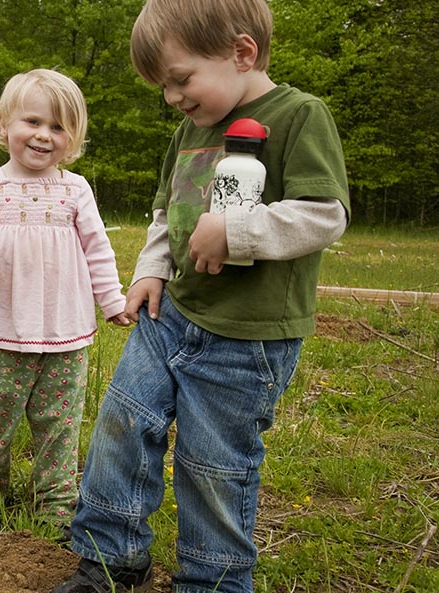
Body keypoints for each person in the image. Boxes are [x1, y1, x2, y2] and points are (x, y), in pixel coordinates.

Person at [53, 1, 349, 592]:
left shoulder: (298, 116)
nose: (172, 97)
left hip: (246, 336)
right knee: (122, 422)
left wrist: (238, 230)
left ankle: (211, 582)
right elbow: (169, 212)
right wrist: (151, 269)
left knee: (212, 465)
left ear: (242, 53)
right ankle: (111, 558)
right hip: (172, 316)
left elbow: (325, 216)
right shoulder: (191, 131)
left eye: (180, 79)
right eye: (164, 86)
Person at [0, 69, 131, 537]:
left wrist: (112, 301)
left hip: (64, 333)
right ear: (5, 125)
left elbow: (97, 250)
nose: (44, 135)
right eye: (33, 122)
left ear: (73, 138)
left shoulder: (76, 189)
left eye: (59, 127)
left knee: (58, 424)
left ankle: (57, 499)